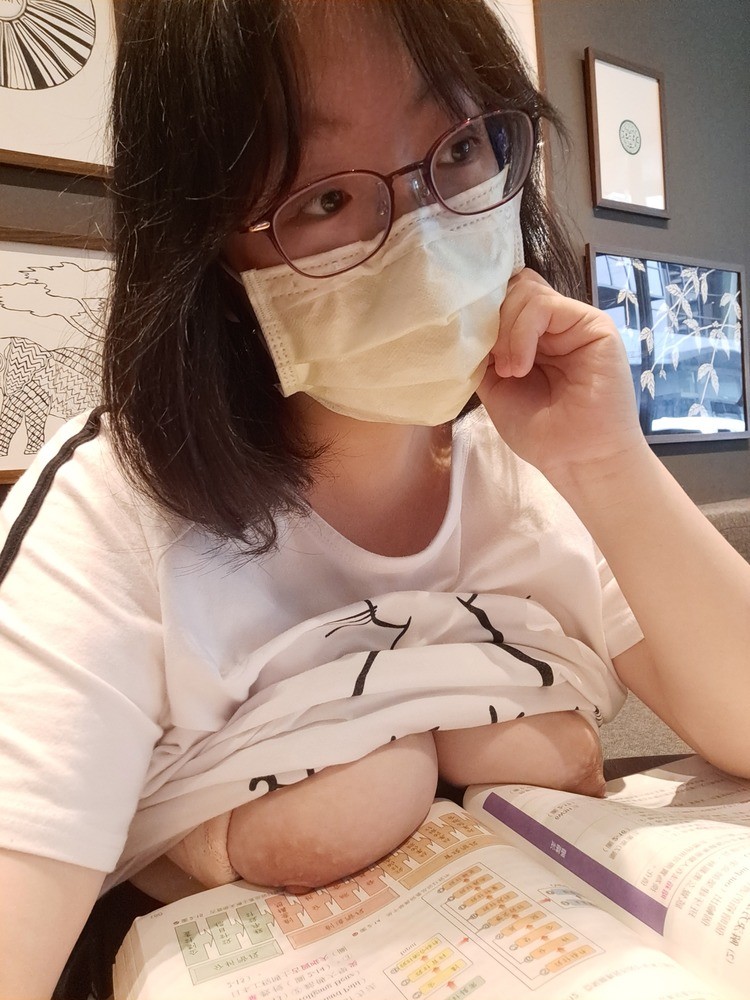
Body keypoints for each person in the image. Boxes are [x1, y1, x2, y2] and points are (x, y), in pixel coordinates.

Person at [1, 1, 749, 997]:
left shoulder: (537, 465)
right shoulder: (112, 520)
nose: (428, 239)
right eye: (324, 199)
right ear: (205, 249)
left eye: (461, 147)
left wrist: (608, 462)